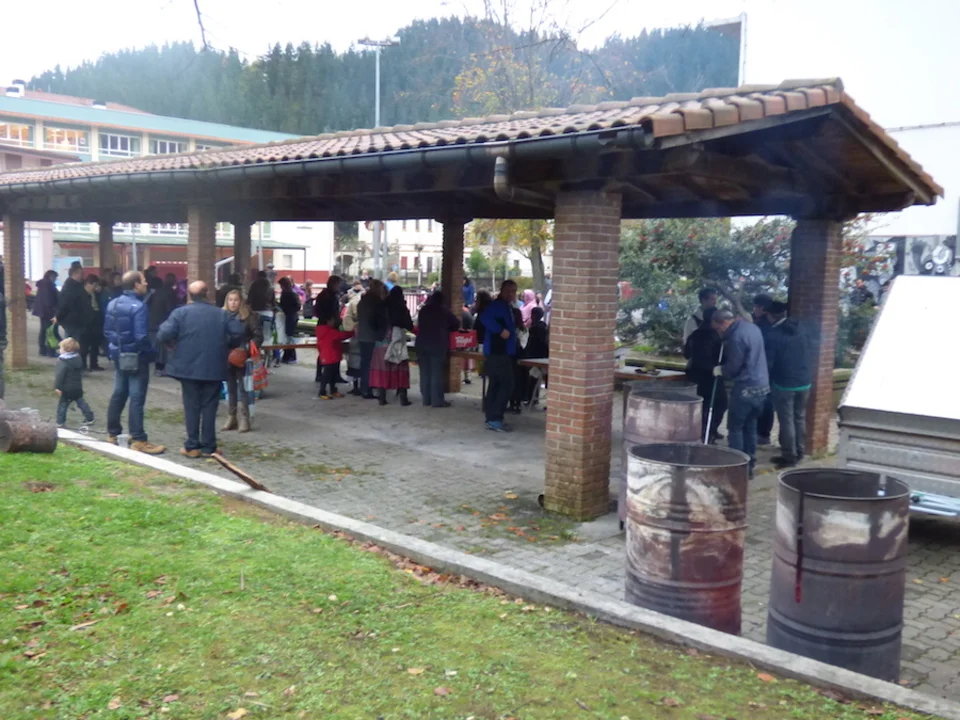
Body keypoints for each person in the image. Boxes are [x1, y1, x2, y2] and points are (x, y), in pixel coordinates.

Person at [157, 281, 243, 458]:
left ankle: (192, 446)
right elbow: (238, 332)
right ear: (207, 293)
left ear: (190, 295)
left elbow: (163, 334)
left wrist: (173, 345)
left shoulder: (180, 313)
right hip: (214, 366)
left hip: (187, 368)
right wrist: (227, 345)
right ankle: (209, 447)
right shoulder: (222, 314)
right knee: (210, 407)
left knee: (191, 406)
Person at [104, 271, 165, 455]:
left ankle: (113, 433)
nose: (146, 283)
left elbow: (107, 331)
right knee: (137, 398)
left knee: (118, 393)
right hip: (136, 357)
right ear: (136, 285)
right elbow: (141, 337)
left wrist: (117, 349)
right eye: (143, 281)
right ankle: (139, 438)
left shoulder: (112, 304)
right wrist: (151, 353)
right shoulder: (139, 307)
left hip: (118, 355)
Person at [712, 309, 769, 478]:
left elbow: (734, 367)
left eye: (718, 329)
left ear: (724, 323)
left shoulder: (736, 337)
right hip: (762, 386)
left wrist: (721, 370)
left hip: (745, 388)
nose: (719, 333)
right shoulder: (752, 327)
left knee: (735, 429)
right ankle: (749, 466)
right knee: (750, 426)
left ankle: (736, 467)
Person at [764, 301, 812, 469]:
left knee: (787, 420)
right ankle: (800, 451)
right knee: (799, 417)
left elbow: (769, 362)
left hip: (784, 383)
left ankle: (789, 456)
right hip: (804, 381)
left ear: (771, 316)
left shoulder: (773, 335)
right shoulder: (801, 328)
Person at [222, 289, 263, 433]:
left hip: (242, 357)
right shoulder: (222, 315)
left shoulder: (249, 317)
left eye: (236, 300)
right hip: (226, 355)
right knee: (230, 388)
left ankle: (245, 418)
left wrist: (247, 350)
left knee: (243, 388)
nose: (233, 303)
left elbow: (258, 336)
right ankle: (231, 416)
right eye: (230, 300)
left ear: (241, 302)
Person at [684, 306, 726, 444]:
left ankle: (705, 431)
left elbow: (686, 354)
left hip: (694, 374)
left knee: (702, 405)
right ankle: (708, 432)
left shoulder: (694, 334)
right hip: (710, 375)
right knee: (718, 404)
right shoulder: (715, 336)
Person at [481, 280, 518, 432]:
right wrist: (500, 330)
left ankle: (492, 417)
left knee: (496, 384)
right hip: (497, 351)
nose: (511, 294)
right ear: (502, 291)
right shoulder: (496, 305)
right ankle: (495, 417)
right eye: (508, 291)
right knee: (507, 384)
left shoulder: (507, 307)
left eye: (514, 291)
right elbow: (484, 318)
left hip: (503, 351)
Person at [369, 285, 414, 406]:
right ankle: (403, 398)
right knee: (400, 369)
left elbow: (372, 322)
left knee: (382, 370)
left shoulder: (381, 306)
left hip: (381, 342)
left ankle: (382, 398)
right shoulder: (402, 308)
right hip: (397, 342)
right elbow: (409, 325)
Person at [416, 291, 460, 408]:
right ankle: (437, 401)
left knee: (424, 372)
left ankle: (426, 399)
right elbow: (456, 324)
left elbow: (419, 325)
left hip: (421, 343)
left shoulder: (423, 310)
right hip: (437, 344)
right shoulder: (443, 311)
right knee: (436, 373)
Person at [356, 279, 387, 399]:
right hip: (372, 336)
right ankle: (367, 389)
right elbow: (379, 319)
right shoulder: (376, 301)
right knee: (371, 364)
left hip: (362, 334)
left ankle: (363, 387)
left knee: (364, 362)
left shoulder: (362, 301)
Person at [57, 264, 93, 368]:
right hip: (73, 322)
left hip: (80, 321)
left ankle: (79, 366)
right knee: (72, 346)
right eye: (81, 273)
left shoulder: (78, 285)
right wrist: (60, 318)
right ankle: (72, 367)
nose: (83, 276)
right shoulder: (70, 287)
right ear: (75, 273)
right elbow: (65, 305)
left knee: (80, 345)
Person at [54, 337, 95, 428]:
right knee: (81, 402)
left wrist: (57, 387)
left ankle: (60, 422)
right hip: (77, 387)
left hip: (66, 388)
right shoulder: (78, 358)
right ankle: (90, 417)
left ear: (66, 350)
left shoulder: (63, 362)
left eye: (61, 348)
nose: (59, 350)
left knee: (63, 405)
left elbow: (59, 376)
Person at [751, 293, 775, 446]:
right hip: (765, 369)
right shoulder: (765, 323)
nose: (754, 309)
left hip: (764, 369)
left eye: (756, 307)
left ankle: (763, 433)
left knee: (765, 403)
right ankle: (762, 432)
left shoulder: (764, 326)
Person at [316, 315, 354, 399]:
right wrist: (352, 332)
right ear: (328, 321)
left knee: (332, 374)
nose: (334, 322)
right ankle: (322, 392)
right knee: (327, 375)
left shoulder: (322, 331)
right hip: (331, 356)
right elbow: (342, 335)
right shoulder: (330, 332)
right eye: (332, 320)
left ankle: (333, 390)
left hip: (330, 356)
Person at [148, 274, 179, 376]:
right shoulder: (169, 293)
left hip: (153, 322)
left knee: (157, 346)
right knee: (164, 347)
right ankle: (162, 368)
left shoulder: (155, 293)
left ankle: (158, 367)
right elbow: (170, 309)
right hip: (162, 322)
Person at [342, 284, 364, 394]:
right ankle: (359, 386)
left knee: (354, 364)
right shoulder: (358, 305)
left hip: (355, 339)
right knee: (358, 363)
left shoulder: (353, 305)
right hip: (359, 339)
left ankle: (356, 386)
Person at [33, 270, 59, 358]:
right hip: (48, 312)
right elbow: (49, 300)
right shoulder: (48, 285)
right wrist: (53, 311)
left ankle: (42, 350)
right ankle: (51, 351)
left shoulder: (43, 284)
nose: (55, 279)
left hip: (42, 311)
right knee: (50, 331)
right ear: (51, 276)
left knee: (44, 331)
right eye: (55, 277)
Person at [82, 274, 106, 371]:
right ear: (88, 284)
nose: (95, 287)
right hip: (86, 321)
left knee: (95, 343)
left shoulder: (95, 293)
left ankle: (94, 363)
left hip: (96, 320)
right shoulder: (82, 293)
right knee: (84, 345)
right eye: (94, 285)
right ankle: (83, 365)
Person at [277, 277, 301, 364]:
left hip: (292, 317)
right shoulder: (284, 293)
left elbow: (298, 306)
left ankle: (291, 356)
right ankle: (286, 356)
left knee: (290, 337)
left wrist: (288, 310)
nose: (281, 287)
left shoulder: (292, 293)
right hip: (287, 316)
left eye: (281, 285)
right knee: (287, 337)